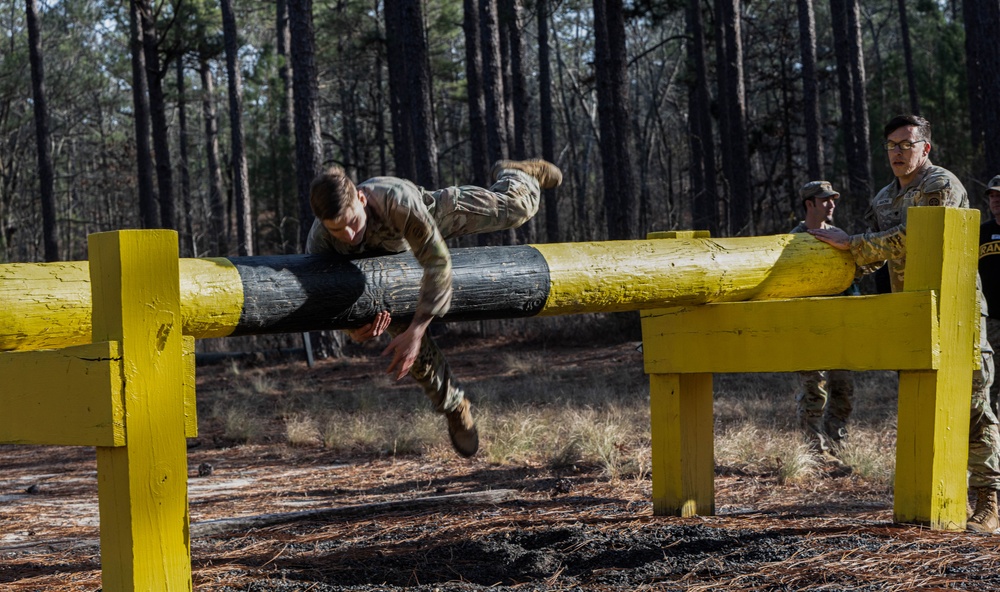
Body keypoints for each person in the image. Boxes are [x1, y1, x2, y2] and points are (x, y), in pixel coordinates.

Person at [811, 114, 1000, 533]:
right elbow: (873, 255)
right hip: (911, 313)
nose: (898, 152)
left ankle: (989, 503)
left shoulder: (941, 185)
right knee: (923, 404)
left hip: (957, 311)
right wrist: (828, 263)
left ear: (925, 148)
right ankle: (937, 495)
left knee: (973, 406)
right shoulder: (883, 197)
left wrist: (855, 246)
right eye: (891, 146)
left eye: (906, 144)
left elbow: (914, 237)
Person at [305, 159, 562, 458]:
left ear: (361, 199)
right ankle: (454, 407)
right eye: (337, 230)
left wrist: (418, 328)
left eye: (352, 222)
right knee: (408, 349)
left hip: (431, 218)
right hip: (375, 270)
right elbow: (325, 295)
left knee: (516, 210)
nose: (348, 235)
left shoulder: (395, 199)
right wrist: (353, 330)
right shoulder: (321, 241)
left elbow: (437, 261)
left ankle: (517, 174)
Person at [790, 181, 857, 471]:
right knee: (814, 390)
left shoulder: (839, 236)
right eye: (825, 200)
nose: (831, 205)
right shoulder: (793, 240)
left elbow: (854, 277)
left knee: (843, 388)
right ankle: (816, 452)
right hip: (809, 324)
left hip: (840, 323)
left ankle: (836, 443)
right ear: (810, 204)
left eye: (833, 199)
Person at [979, 174, 1000, 415]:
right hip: (989, 321)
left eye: (999, 195)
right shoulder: (981, 232)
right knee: (989, 385)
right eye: (992, 195)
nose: (995, 199)